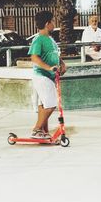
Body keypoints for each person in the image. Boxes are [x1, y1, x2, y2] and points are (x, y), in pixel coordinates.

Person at [28, 11, 66, 139]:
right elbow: (34, 58)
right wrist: (49, 67)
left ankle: (44, 131)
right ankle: (36, 129)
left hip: (49, 77)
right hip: (41, 76)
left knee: (44, 104)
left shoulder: (50, 39)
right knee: (50, 104)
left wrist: (62, 64)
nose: (54, 24)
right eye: (52, 21)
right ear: (47, 23)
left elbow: (55, 55)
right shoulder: (38, 39)